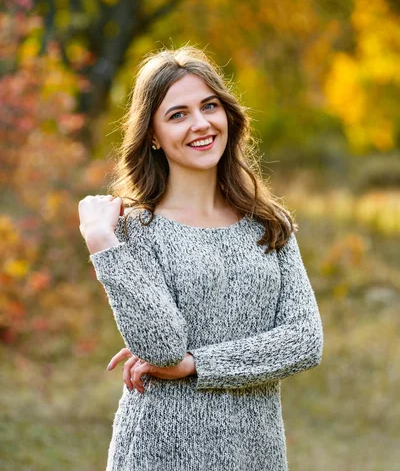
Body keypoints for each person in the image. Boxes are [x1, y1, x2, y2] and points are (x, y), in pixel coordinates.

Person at [78, 45, 324, 471]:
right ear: (152, 134)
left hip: (256, 452)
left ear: (227, 113)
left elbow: (304, 341)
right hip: (160, 448)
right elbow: (162, 348)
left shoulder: (269, 223)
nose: (201, 124)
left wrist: (199, 364)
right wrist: (101, 241)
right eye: (178, 114)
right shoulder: (134, 231)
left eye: (209, 106)